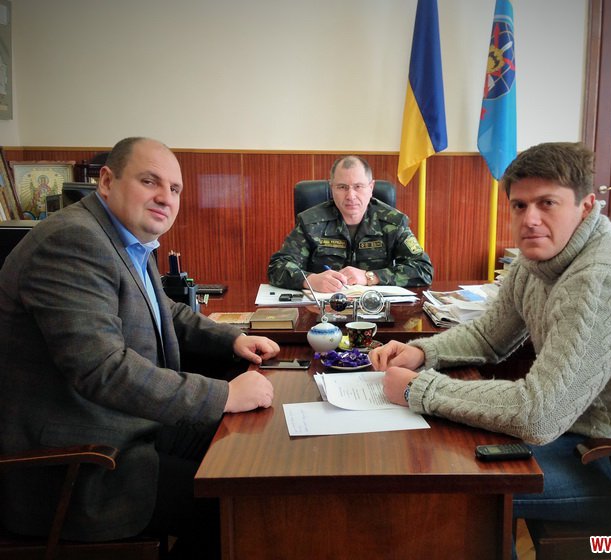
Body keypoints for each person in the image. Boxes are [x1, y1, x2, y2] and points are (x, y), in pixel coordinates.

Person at [370, 142, 611, 537]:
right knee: (447, 454)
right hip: (592, 433)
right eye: (520, 205)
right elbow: (489, 336)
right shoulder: (537, 258)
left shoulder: (602, 277)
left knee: (458, 486)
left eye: (547, 203)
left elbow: (539, 415)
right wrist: (422, 352)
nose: (530, 219)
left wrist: (419, 389)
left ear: (586, 206)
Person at [0, 137, 279, 559]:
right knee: (238, 505)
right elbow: (104, 369)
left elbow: (165, 310)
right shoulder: (72, 242)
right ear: (106, 181)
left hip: (127, 427)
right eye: (150, 181)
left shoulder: (125, 236)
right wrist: (223, 395)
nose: (165, 198)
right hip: (80, 464)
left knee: (249, 452)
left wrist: (233, 339)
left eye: (174, 189)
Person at [267, 155, 433, 293]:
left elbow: (423, 269)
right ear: (331, 188)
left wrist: (370, 277)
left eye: (358, 186)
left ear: (371, 187)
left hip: (376, 310)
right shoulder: (310, 222)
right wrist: (310, 280)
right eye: (342, 187)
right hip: (322, 311)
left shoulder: (393, 222)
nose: (351, 196)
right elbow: (277, 267)